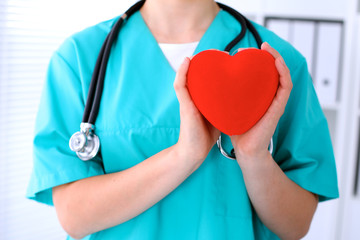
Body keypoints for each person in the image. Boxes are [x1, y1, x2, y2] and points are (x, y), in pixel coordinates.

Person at [26, 0, 339, 239]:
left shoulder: (274, 64)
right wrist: (183, 156)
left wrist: (254, 156)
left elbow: (295, 225)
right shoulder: (80, 58)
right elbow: (74, 215)